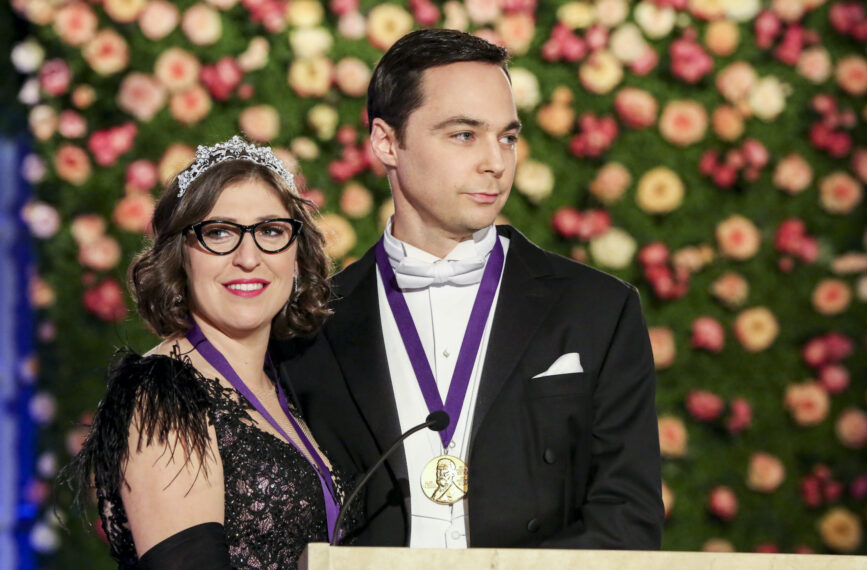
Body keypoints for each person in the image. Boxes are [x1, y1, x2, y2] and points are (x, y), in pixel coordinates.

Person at [274, 29, 664, 550]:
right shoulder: (313, 323)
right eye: (464, 135)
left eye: (507, 137)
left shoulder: (599, 308)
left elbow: (629, 519)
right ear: (387, 142)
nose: (496, 163)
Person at [68, 136, 349, 568]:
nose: (249, 258)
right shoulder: (163, 393)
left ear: (296, 254)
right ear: (181, 256)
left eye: (271, 231)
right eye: (220, 233)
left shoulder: (286, 385)